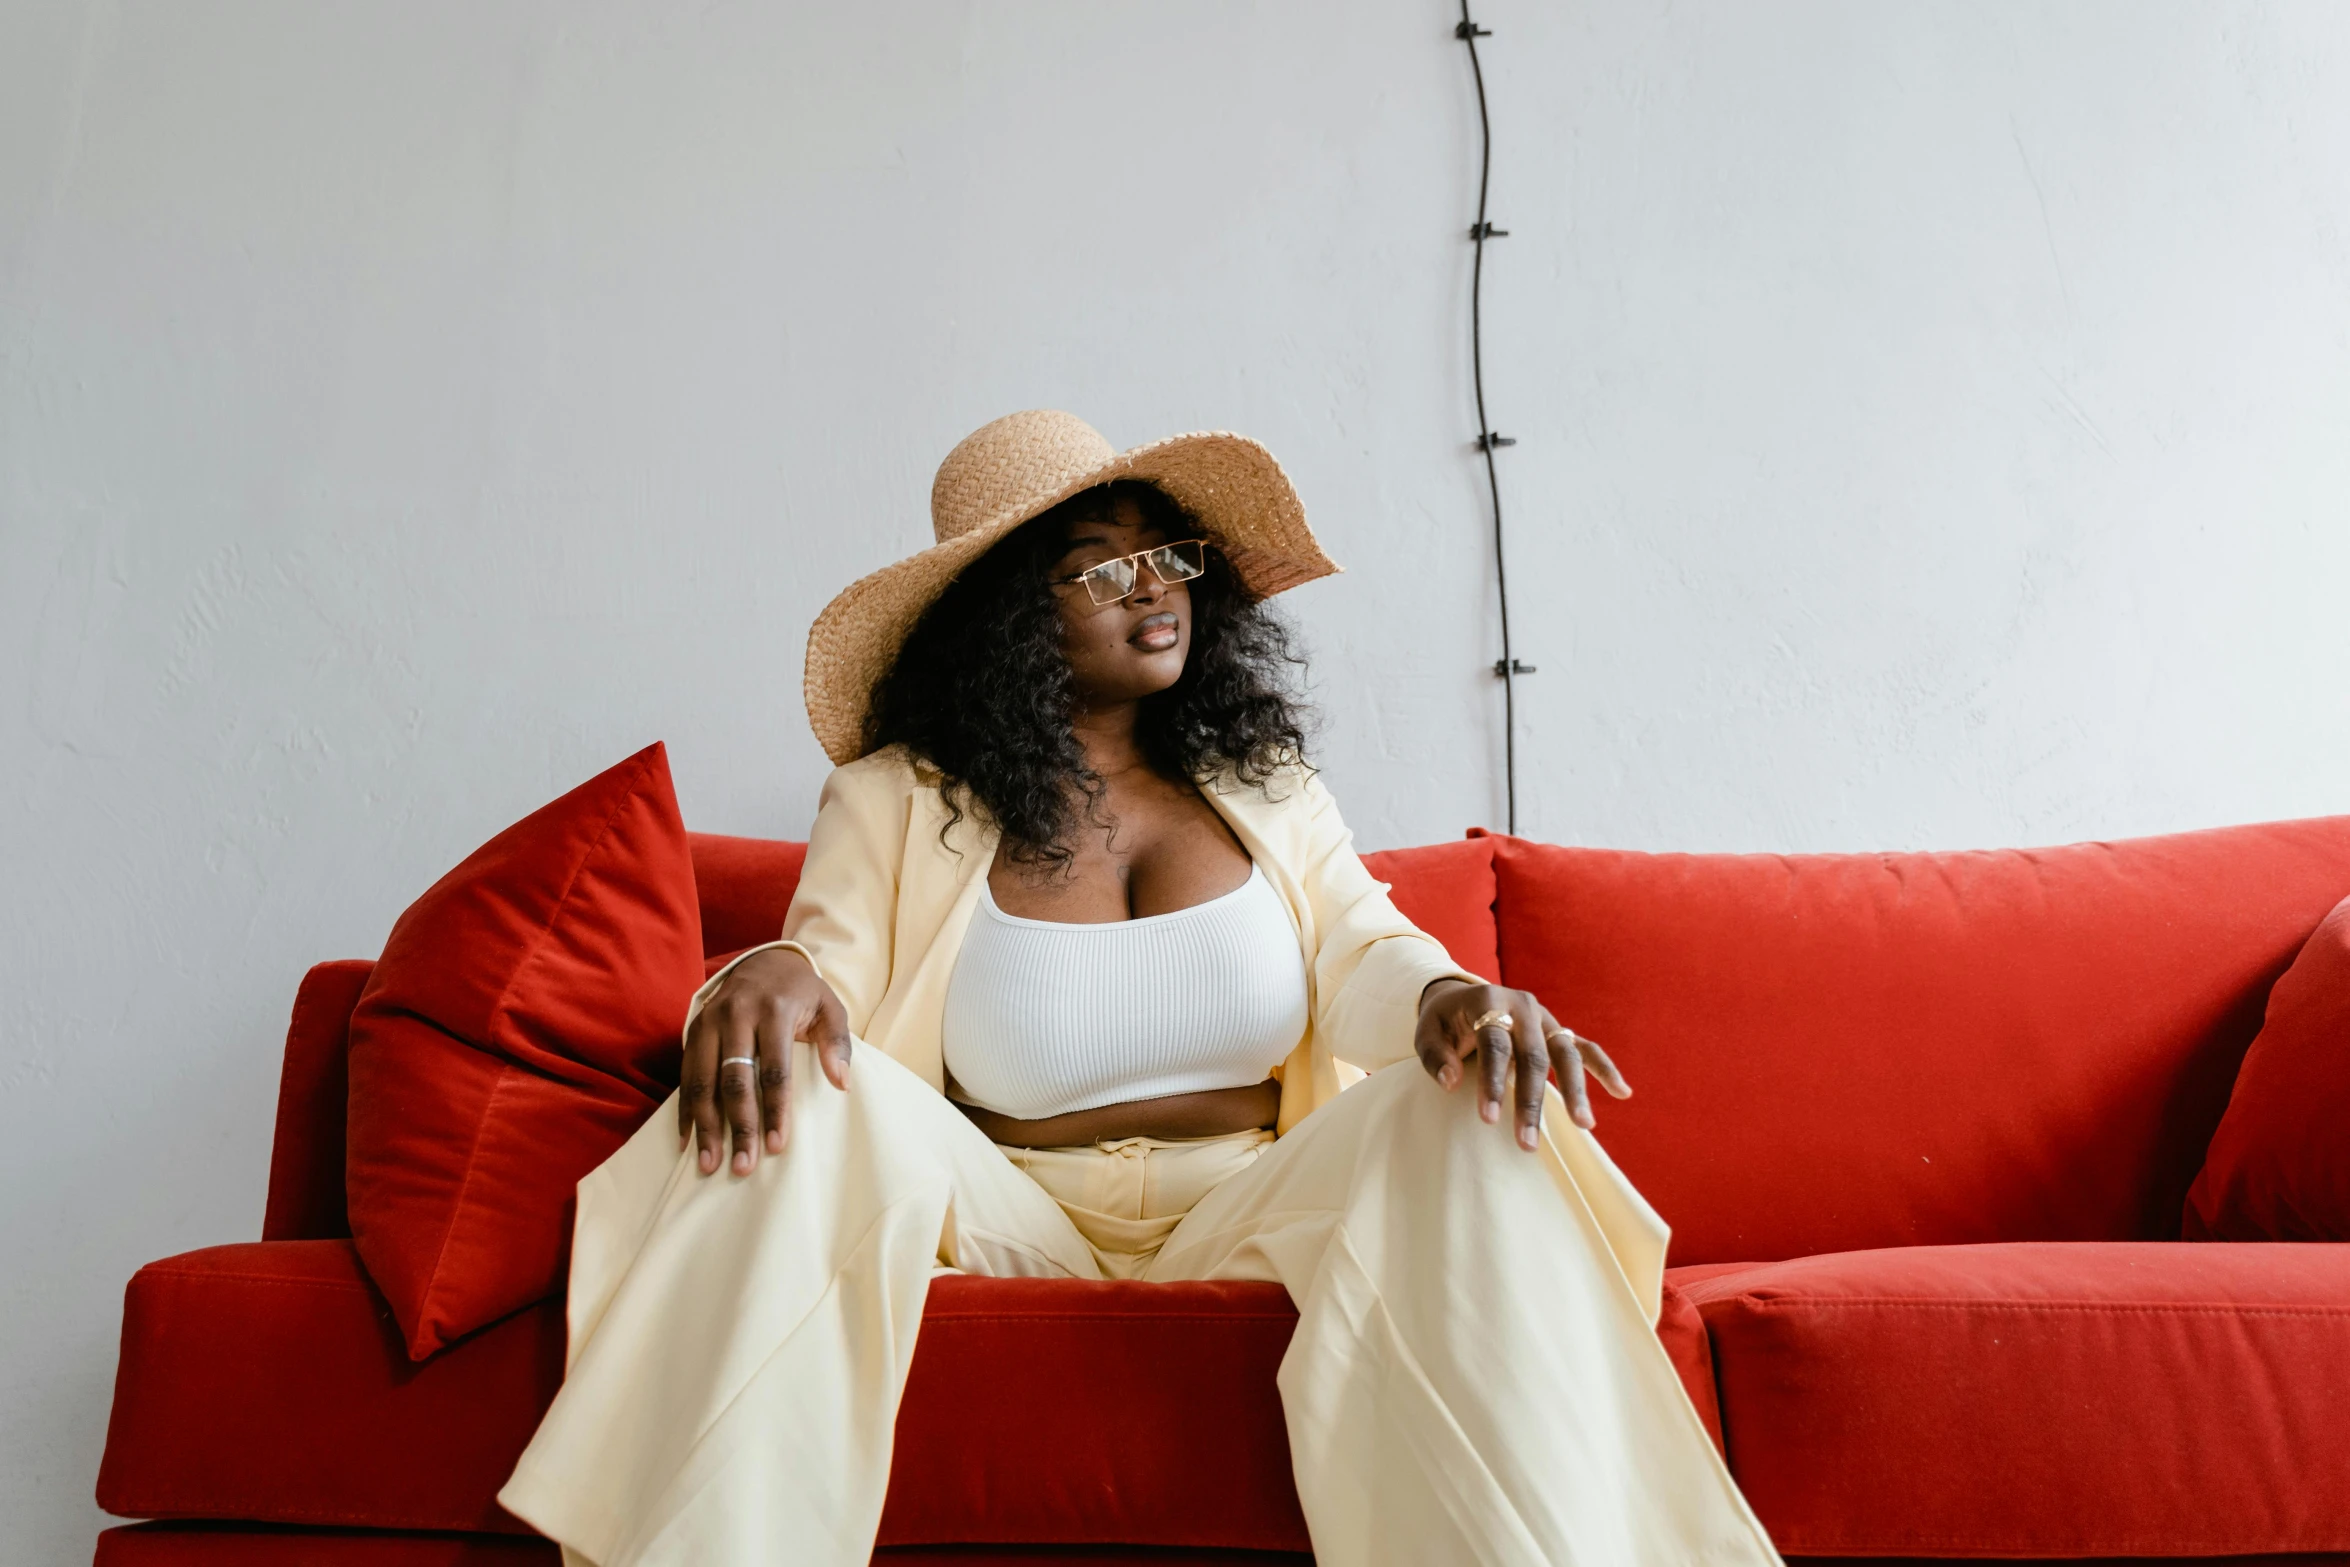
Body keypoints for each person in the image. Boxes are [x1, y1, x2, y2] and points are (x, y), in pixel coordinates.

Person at [498, 410, 1783, 1567]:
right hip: (1005, 1209)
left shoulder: (1267, 783)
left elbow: (1363, 950)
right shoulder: (893, 800)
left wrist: (1451, 997)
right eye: (1102, 567)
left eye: (1170, 555)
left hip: (1248, 1201)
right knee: (793, 1103)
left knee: (1468, 1107)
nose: (1154, 590)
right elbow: (822, 973)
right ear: (1010, 612)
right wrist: (765, 967)